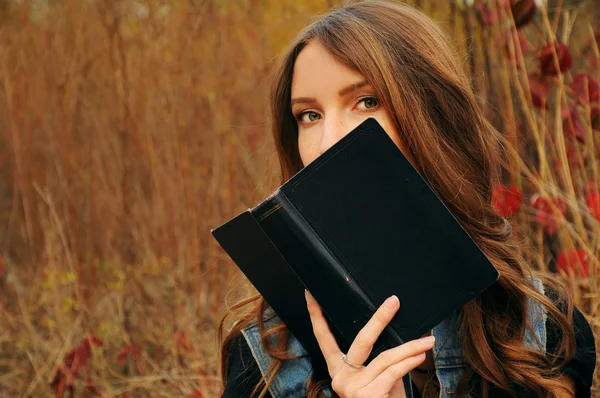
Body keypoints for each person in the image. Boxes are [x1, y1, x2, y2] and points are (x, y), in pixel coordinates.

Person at [217, 1, 596, 397]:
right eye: (309, 115)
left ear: (431, 116)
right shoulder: (265, 355)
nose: (328, 142)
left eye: (367, 101)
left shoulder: (542, 330)